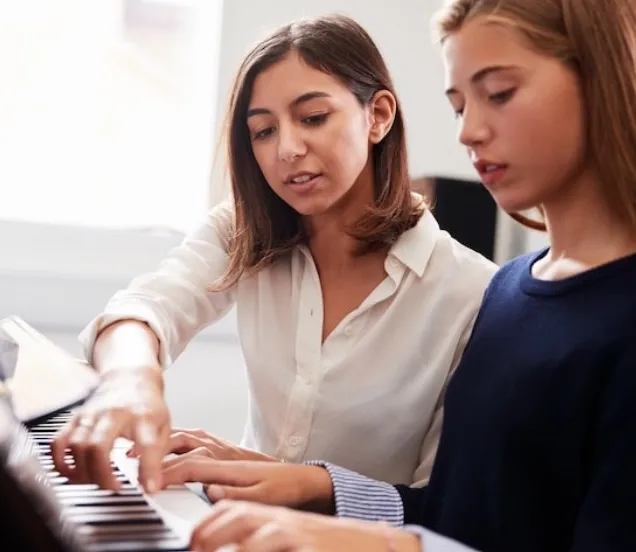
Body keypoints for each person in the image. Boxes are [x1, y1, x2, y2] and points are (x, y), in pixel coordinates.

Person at [155, 0, 636, 550]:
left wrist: (385, 545)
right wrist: (312, 484)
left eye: (499, 93)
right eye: (459, 106)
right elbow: (457, 516)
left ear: (604, 78)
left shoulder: (569, 306)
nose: (468, 132)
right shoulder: (511, 291)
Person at [50, 14, 496, 495]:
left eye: (313, 118)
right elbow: (147, 308)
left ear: (379, 116)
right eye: (263, 131)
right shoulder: (246, 231)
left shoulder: (470, 294)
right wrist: (130, 381)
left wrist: (297, 484)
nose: (286, 149)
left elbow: (443, 506)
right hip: (232, 525)